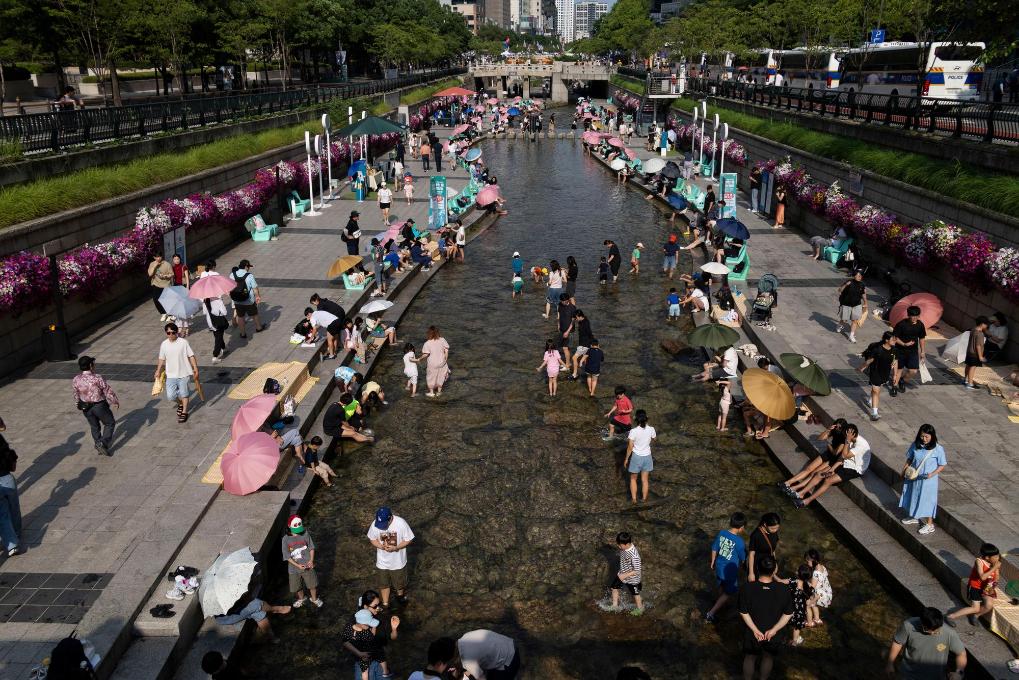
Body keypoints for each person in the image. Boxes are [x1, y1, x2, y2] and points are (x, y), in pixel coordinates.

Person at [738, 554, 793, 680]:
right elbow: (788, 614)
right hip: (773, 633)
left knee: (750, 657)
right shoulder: (784, 589)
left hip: (752, 632)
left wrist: (755, 630)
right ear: (774, 571)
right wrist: (774, 630)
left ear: (757, 568)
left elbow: (743, 612)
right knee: (768, 657)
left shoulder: (747, 587)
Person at [794, 424, 870, 507]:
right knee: (819, 474)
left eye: (846, 435)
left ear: (853, 434)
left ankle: (807, 501)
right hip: (846, 462)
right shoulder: (850, 438)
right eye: (845, 435)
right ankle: (801, 493)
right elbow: (842, 458)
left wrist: (847, 441)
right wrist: (832, 469)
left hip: (855, 468)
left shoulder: (860, 444)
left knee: (828, 480)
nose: (845, 437)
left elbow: (844, 455)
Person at [887, 607, 966, 679]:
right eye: (933, 631)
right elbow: (898, 643)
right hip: (909, 675)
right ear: (923, 625)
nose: (936, 632)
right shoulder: (908, 626)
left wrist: (959, 672)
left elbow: (961, 653)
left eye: (938, 629)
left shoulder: (949, 633)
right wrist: (890, 663)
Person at [899, 424, 947, 536]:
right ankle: (914, 516)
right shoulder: (916, 445)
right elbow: (910, 458)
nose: (924, 439)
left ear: (932, 436)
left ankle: (930, 524)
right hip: (914, 476)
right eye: (922, 436)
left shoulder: (938, 449)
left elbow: (942, 465)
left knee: (928, 500)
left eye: (926, 437)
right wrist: (903, 470)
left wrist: (932, 474)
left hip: (928, 480)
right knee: (913, 495)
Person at [367, 507, 415, 610]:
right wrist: (381, 547)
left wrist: (396, 548)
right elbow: (372, 538)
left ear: (390, 518)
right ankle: (385, 604)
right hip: (382, 562)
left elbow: (409, 539)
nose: (382, 527)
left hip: (398, 562)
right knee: (383, 584)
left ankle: (400, 597)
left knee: (399, 584)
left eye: (384, 524)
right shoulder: (375, 523)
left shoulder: (401, 523)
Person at [72, 355, 119, 455]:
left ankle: (98, 444)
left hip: (85, 407)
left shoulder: (76, 379)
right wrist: (114, 401)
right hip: (99, 406)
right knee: (109, 423)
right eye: (93, 364)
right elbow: (107, 390)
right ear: (90, 365)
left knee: (94, 426)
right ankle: (102, 443)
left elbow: (76, 394)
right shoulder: (97, 378)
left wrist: (78, 403)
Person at [705, 512, 747, 622]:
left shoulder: (722, 533)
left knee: (721, 585)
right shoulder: (740, 542)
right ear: (742, 527)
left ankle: (718, 599)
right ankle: (711, 613)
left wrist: (713, 561)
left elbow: (714, 548)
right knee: (729, 592)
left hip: (719, 566)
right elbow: (743, 558)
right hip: (730, 571)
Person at [947, 543, 1002, 627]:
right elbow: (982, 577)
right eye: (995, 556)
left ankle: (975, 615)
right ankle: (950, 616)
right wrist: (994, 568)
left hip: (987, 587)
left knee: (989, 605)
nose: (998, 558)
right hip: (975, 587)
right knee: (975, 608)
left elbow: (997, 576)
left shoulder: (994, 563)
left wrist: (993, 583)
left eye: (998, 556)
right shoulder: (979, 561)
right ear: (987, 557)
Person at [155, 322, 199, 423]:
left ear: (177, 332)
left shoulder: (183, 342)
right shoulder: (164, 344)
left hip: (184, 373)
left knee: (184, 394)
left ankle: (184, 412)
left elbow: (191, 356)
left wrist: (195, 368)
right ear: (166, 333)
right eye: (168, 333)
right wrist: (158, 370)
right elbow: (161, 358)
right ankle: (180, 403)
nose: (171, 335)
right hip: (171, 374)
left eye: (173, 332)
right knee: (171, 396)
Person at [213, 592, 291, 644]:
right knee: (255, 604)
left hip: (234, 608)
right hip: (226, 616)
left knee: (257, 612)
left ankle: (270, 636)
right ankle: (275, 609)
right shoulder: (216, 594)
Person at [282, 515, 322, 608]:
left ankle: (314, 599)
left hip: (308, 565)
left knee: (312, 585)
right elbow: (287, 556)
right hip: (293, 569)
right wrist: (297, 565)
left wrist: (311, 560)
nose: (298, 531)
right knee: (297, 587)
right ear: (289, 526)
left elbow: (311, 548)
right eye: (295, 528)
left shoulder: (305, 534)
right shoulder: (285, 539)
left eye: (299, 526)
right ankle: (302, 598)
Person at [859, 332, 897, 421]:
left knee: (876, 389)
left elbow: (895, 361)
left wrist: (895, 375)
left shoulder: (894, 350)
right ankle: (874, 414)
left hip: (885, 373)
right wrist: (862, 367)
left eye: (895, 339)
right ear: (886, 340)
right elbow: (869, 360)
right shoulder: (878, 349)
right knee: (876, 391)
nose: (895, 341)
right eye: (893, 339)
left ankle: (870, 400)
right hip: (875, 372)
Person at [456, 629, 520, 680]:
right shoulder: (464, 639)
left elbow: (481, 678)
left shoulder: (468, 662)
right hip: (507, 645)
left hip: (508, 660)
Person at [892, 305, 927, 395]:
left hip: (913, 352)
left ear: (919, 316)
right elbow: (894, 338)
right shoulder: (901, 324)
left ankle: (902, 380)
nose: (914, 318)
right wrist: (904, 344)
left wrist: (922, 351)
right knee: (899, 370)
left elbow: (922, 338)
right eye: (912, 316)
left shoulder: (920, 325)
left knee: (913, 371)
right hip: (900, 350)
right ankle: (894, 387)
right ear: (908, 315)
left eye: (916, 316)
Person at [623, 409, 655, 503]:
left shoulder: (633, 431)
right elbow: (654, 439)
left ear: (635, 418)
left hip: (636, 457)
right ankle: (644, 499)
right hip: (647, 457)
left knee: (633, 478)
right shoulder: (651, 429)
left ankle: (634, 500)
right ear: (646, 418)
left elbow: (630, 447)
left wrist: (626, 459)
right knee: (645, 480)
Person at [609, 531, 644, 615]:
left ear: (627, 544)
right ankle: (614, 605)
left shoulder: (634, 556)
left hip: (632, 578)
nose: (618, 546)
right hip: (622, 573)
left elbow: (637, 570)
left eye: (620, 545)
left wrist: (624, 575)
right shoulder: (625, 547)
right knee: (614, 588)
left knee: (635, 594)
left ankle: (640, 609)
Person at [230, 260, 264, 338]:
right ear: (246, 266)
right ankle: (259, 328)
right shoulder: (249, 275)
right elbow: (255, 288)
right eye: (248, 267)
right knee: (254, 314)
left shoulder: (232, 275)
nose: (249, 268)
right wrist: (258, 296)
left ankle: (243, 334)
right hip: (249, 300)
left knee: (240, 316)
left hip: (237, 300)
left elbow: (230, 287)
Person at [835, 270, 868, 343]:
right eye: (858, 275)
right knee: (844, 320)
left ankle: (851, 335)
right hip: (847, 304)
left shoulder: (862, 284)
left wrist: (865, 302)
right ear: (854, 276)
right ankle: (840, 325)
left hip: (857, 304)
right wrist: (845, 285)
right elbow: (839, 290)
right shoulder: (849, 282)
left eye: (861, 276)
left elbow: (863, 294)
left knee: (855, 320)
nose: (860, 277)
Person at [747, 513, 781, 583]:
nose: (775, 530)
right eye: (773, 528)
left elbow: (772, 550)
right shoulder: (756, 535)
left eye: (777, 528)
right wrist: (751, 573)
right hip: (758, 565)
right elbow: (751, 554)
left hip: (769, 564)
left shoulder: (774, 533)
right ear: (765, 524)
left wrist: (775, 563)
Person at [0, 443, 21, 557]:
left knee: (3, 515)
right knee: (14, 509)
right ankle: (16, 536)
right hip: (7, 479)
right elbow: (11, 455)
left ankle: (11, 543)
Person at [804, 549, 832, 626]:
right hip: (826, 592)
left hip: (819, 595)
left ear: (812, 560)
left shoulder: (816, 573)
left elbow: (812, 587)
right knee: (814, 605)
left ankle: (809, 622)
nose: (807, 563)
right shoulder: (822, 567)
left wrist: (805, 581)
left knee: (808, 605)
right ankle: (817, 619)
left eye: (807, 561)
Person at [788, 564, 813, 646]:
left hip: (789, 608)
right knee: (797, 627)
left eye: (797, 569)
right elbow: (809, 602)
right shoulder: (808, 586)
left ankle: (793, 641)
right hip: (800, 612)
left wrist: (774, 575)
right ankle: (794, 641)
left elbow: (780, 581)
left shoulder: (792, 581)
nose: (796, 570)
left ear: (798, 573)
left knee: (788, 621)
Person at [421, 326, 450, 398]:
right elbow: (446, 351)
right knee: (441, 376)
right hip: (441, 362)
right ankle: (439, 392)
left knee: (431, 376)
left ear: (429, 333)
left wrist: (419, 358)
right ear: (437, 332)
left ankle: (431, 392)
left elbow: (426, 354)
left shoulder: (427, 343)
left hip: (432, 363)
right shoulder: (442, 340)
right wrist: (445, 359)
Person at [964, 316, 989, 389]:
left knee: (968, 365)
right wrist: (980, 356)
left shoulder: (973, 329)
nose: (987, 326)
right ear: (982, 324)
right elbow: (978, 346)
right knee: (973, 367)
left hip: (969, 351)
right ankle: (970, 384)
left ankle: (965, 380)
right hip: (975, 354)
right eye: (986, 324)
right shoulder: (980, 334)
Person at [148, 254, 174, 320]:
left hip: (166, 284)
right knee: (156, 299)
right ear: (154, 257)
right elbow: (150, 274)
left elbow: (172, 274)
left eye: (159, 256)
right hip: (155, 284)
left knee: (166, 300)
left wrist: (166, 276)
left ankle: (170, 314)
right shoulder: (152, 264)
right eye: (156, 257)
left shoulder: (167, 264)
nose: (158, 258)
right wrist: (155, 266)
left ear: (161, 257)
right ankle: (163, 313)